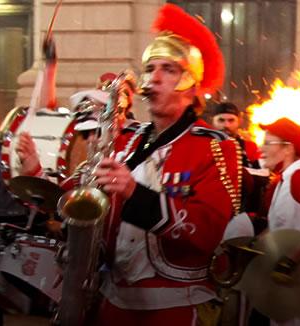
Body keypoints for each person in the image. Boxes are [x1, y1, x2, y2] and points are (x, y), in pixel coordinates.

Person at [90, 4, 238, 325]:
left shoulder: (215, 147)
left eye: (168, 70)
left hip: (175, 306)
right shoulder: (124, 139)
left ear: (192, 83)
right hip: (113, 300)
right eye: (150, 68)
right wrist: (33, 172)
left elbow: (207, 231)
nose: (153, 78)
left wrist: (134, 192)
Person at [258, 117, 300, 325]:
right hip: (286, 284)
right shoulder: (284, 180)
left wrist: (291, 260)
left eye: (268, 143)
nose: (261, 149)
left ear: (288, 148)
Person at [212, 102, 260, 168]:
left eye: (231, 120)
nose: (226, 125)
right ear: (213, 121)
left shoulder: (250, 147)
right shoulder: (202, 145)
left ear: (239, 122)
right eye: (221, 120)